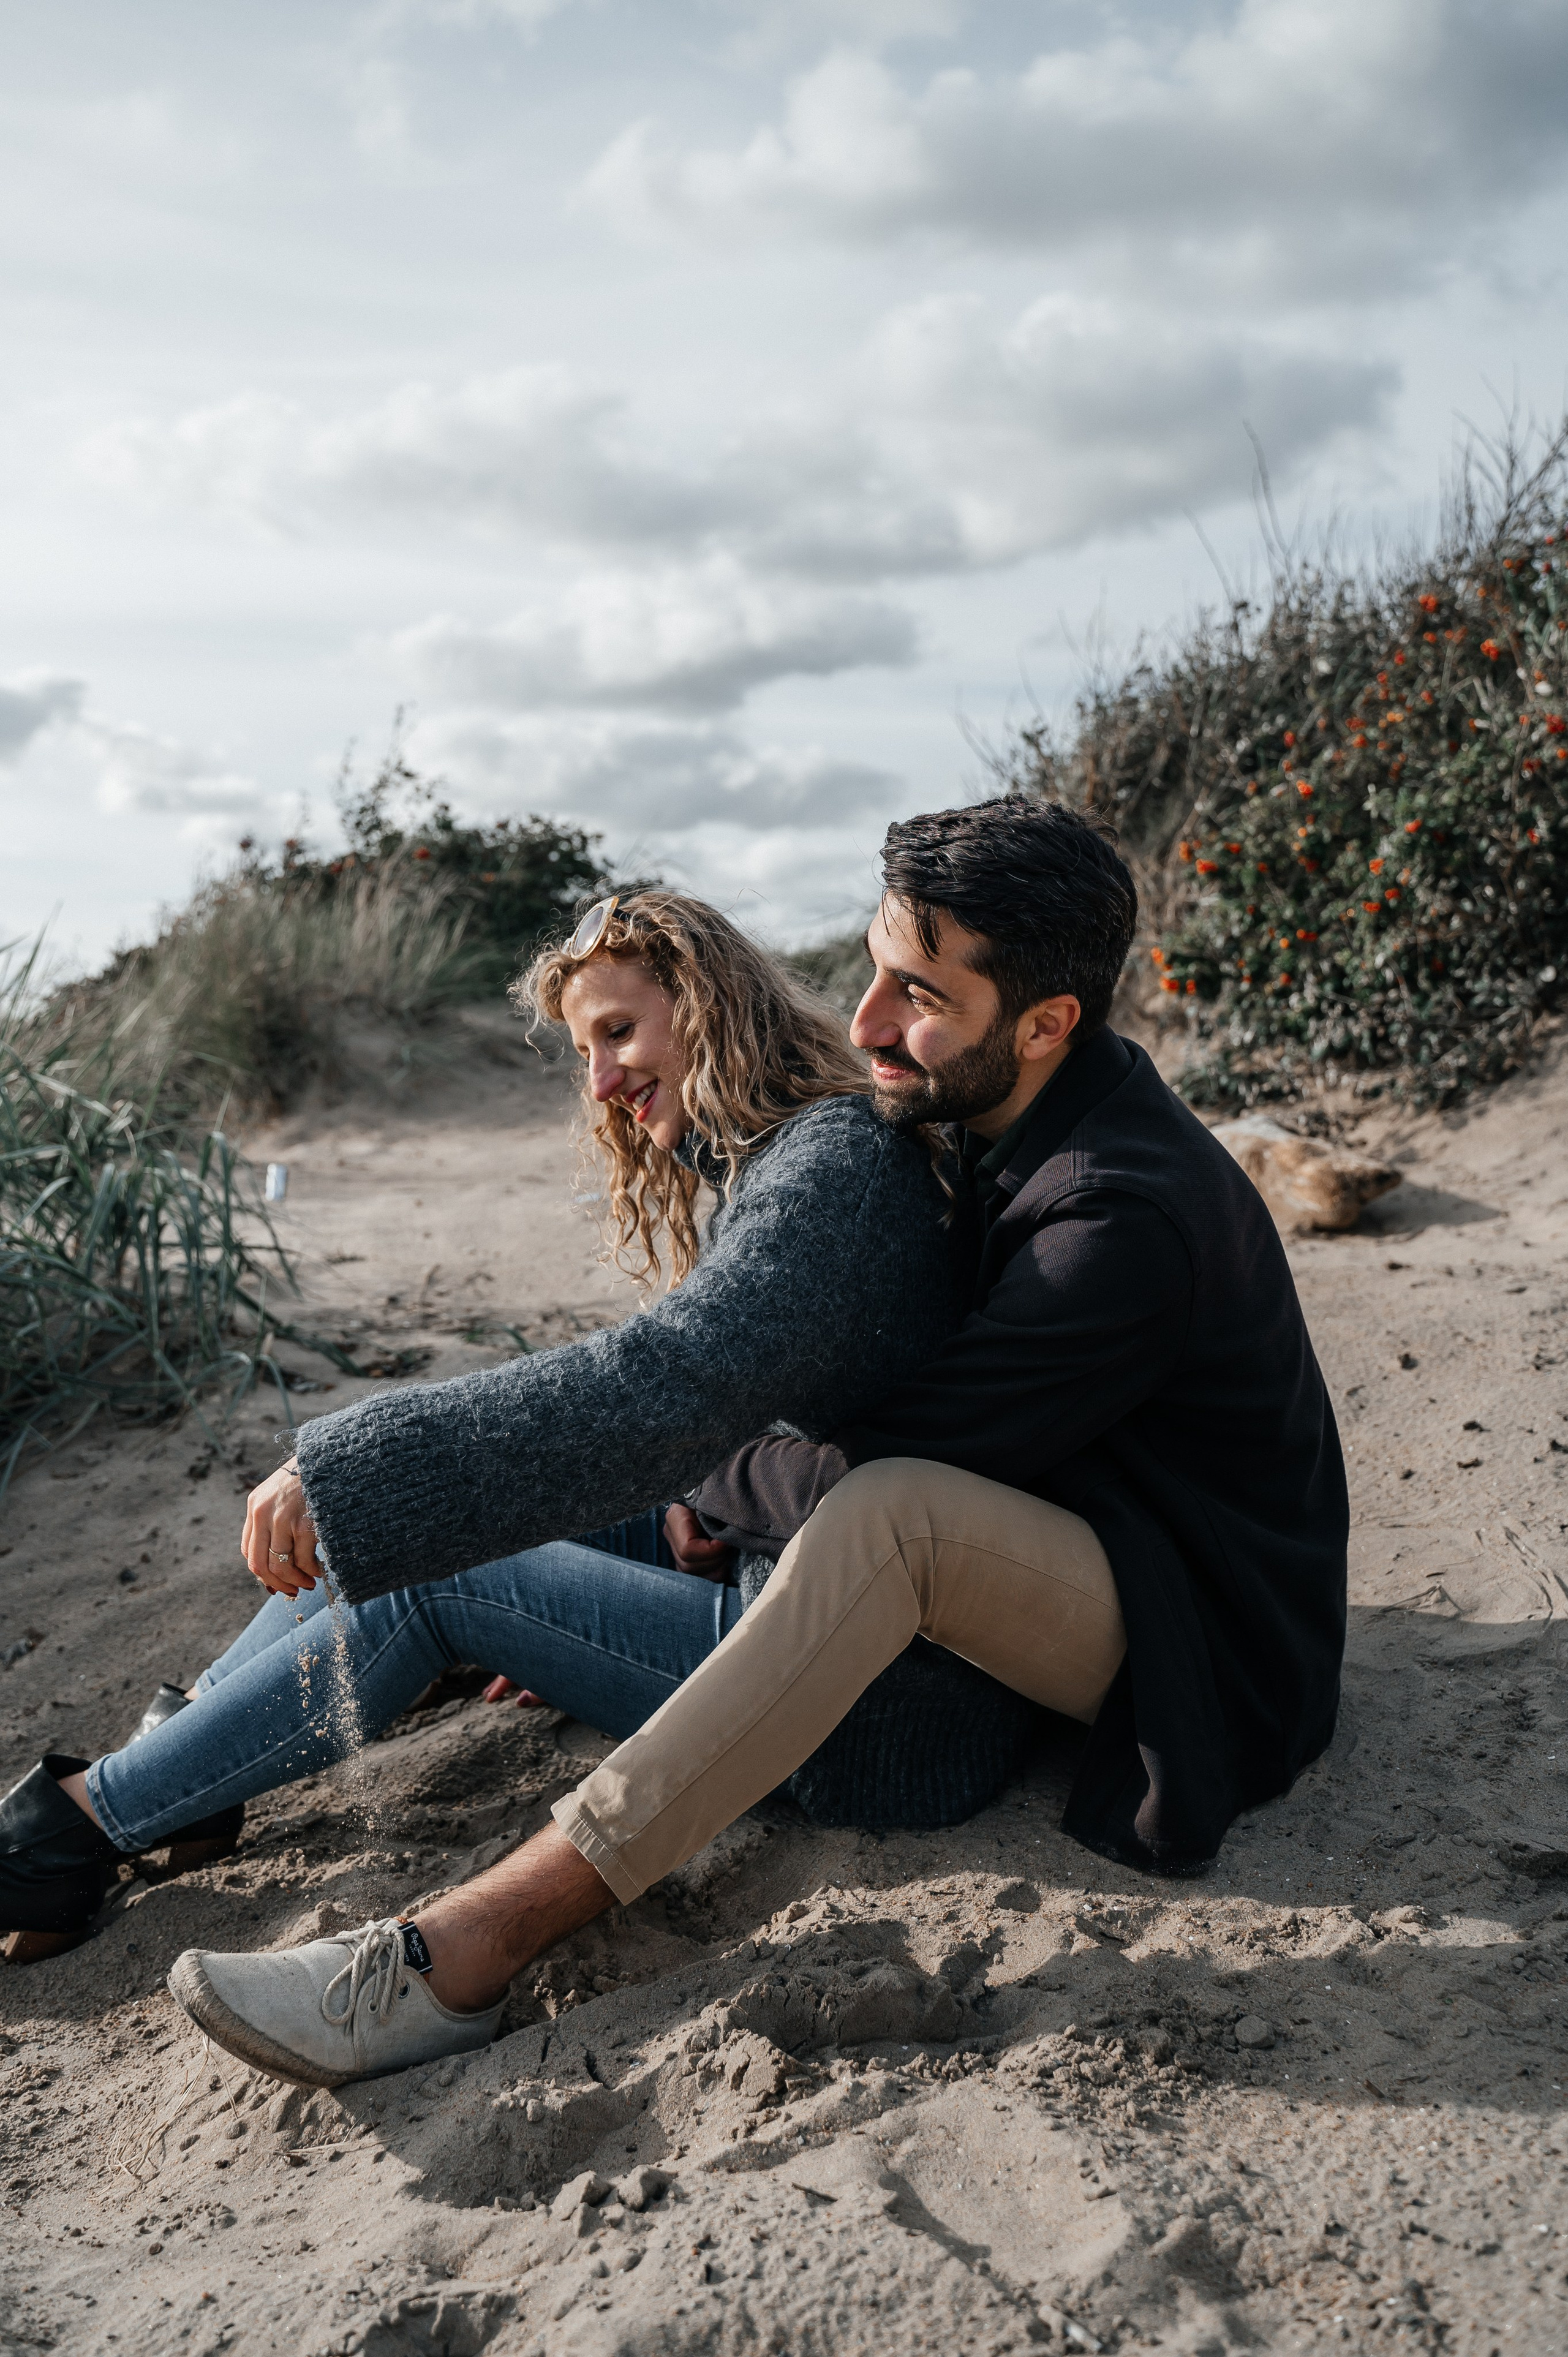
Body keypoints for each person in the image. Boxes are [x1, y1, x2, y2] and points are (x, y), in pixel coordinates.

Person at [148, 794, 1346, 2091]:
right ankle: (179, 1752)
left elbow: (885, 1460)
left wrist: (700, 1467)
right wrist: (693, 1489)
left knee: (887, 1512)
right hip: (1087, 1530)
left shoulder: (1117, 1222)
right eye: (874, 971)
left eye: (917, 995)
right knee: (693, 1498)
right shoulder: (1006, 1110)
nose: (866, 1023)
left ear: (1047, 1021)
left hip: (1199, 1624)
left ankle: (464, 1953)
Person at [0, 889, 963, 1969]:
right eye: (584, 1052)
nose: (600, 1081)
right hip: (790, 1576)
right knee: (411, 1520)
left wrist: (350, 1467)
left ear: (710, 1004)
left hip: (863, 1700)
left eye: (619, 1032)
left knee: (432, 1563)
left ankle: (78, 1828)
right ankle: (187, 1756)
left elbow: (671, 1381)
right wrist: (709, 1495)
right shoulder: (789, 1156)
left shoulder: (832, 1169)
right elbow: (755, 1396)